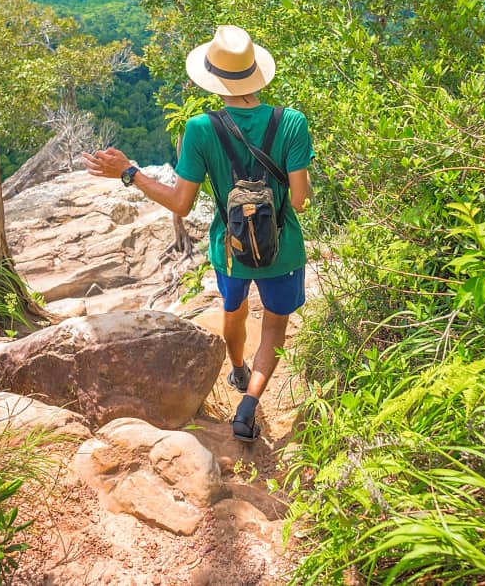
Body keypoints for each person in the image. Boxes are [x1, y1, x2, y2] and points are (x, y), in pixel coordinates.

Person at [82, 25, 313, 442]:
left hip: (230, 249)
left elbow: (180, 203)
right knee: (274, 327)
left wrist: (130, 172)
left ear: (214, 80)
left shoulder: (201, 129)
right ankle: (249, 405)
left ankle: (237, 369)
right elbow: (299, 200)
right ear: (256, 73)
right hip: (284, 251)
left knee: (233, 311)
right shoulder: (292, 122)